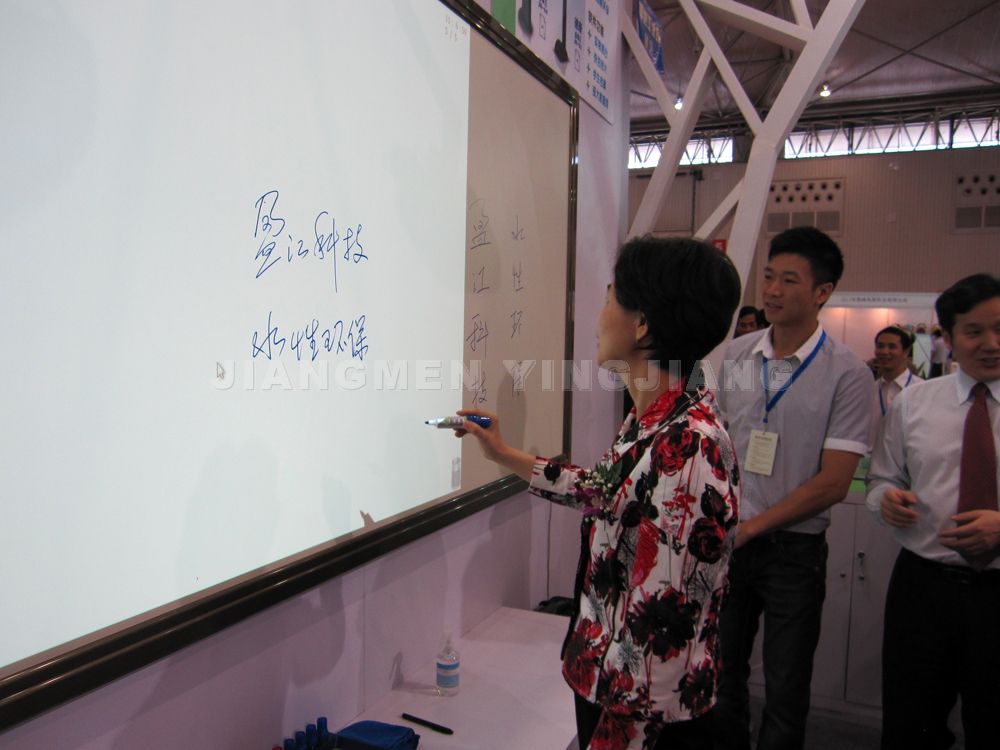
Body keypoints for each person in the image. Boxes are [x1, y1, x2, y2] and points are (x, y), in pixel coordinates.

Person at [456, 236, 742, 750]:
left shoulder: (691, 445)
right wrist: (504, 454)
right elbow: (606, 492)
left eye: (610, 298)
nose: (598, 315)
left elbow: (666, 624)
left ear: (642, 324)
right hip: (601, 675)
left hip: (634, 711)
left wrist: (616, 737)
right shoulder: (657, 418)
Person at [712, 227, 874, 750]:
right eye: (768, 277)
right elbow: (718, 439)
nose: (772, 290)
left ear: (822, 292)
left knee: (784, 687)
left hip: (793, 551)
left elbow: (833, 482)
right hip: (730, 540)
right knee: (720, 677)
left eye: (788, 280)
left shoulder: (848, 374)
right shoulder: (738, 356)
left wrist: (753, 527)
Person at [866, 273, 1000, 750]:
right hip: (924, 588)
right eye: (975, 331)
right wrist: (886, 500)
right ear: (948, 337)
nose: (991, 343)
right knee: (910, 724)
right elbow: (882, 479)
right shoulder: (917, 402)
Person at [873, 326, 922, 420]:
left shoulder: (920, 389)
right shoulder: (871, 390)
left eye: (892, 347)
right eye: (880, 346)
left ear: (906, 352)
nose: (884, 352)